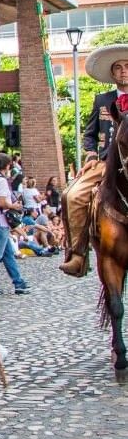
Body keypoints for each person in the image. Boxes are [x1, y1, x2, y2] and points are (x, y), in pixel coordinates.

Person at [60, 45, 128, 276]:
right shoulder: (102, 100)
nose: (123, 71)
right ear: (112, 73)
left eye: (127, 66)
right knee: (71, 195)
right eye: (118, 67)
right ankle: (77, 254)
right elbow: (89, 134)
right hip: (104, 164)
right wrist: (90, 154)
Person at [0, 153, 30, 295]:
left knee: (8, 254)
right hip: (1, 222)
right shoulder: (1, 181)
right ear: (7, 165)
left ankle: (18, 282)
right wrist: (14, 206)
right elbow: (2, 202)